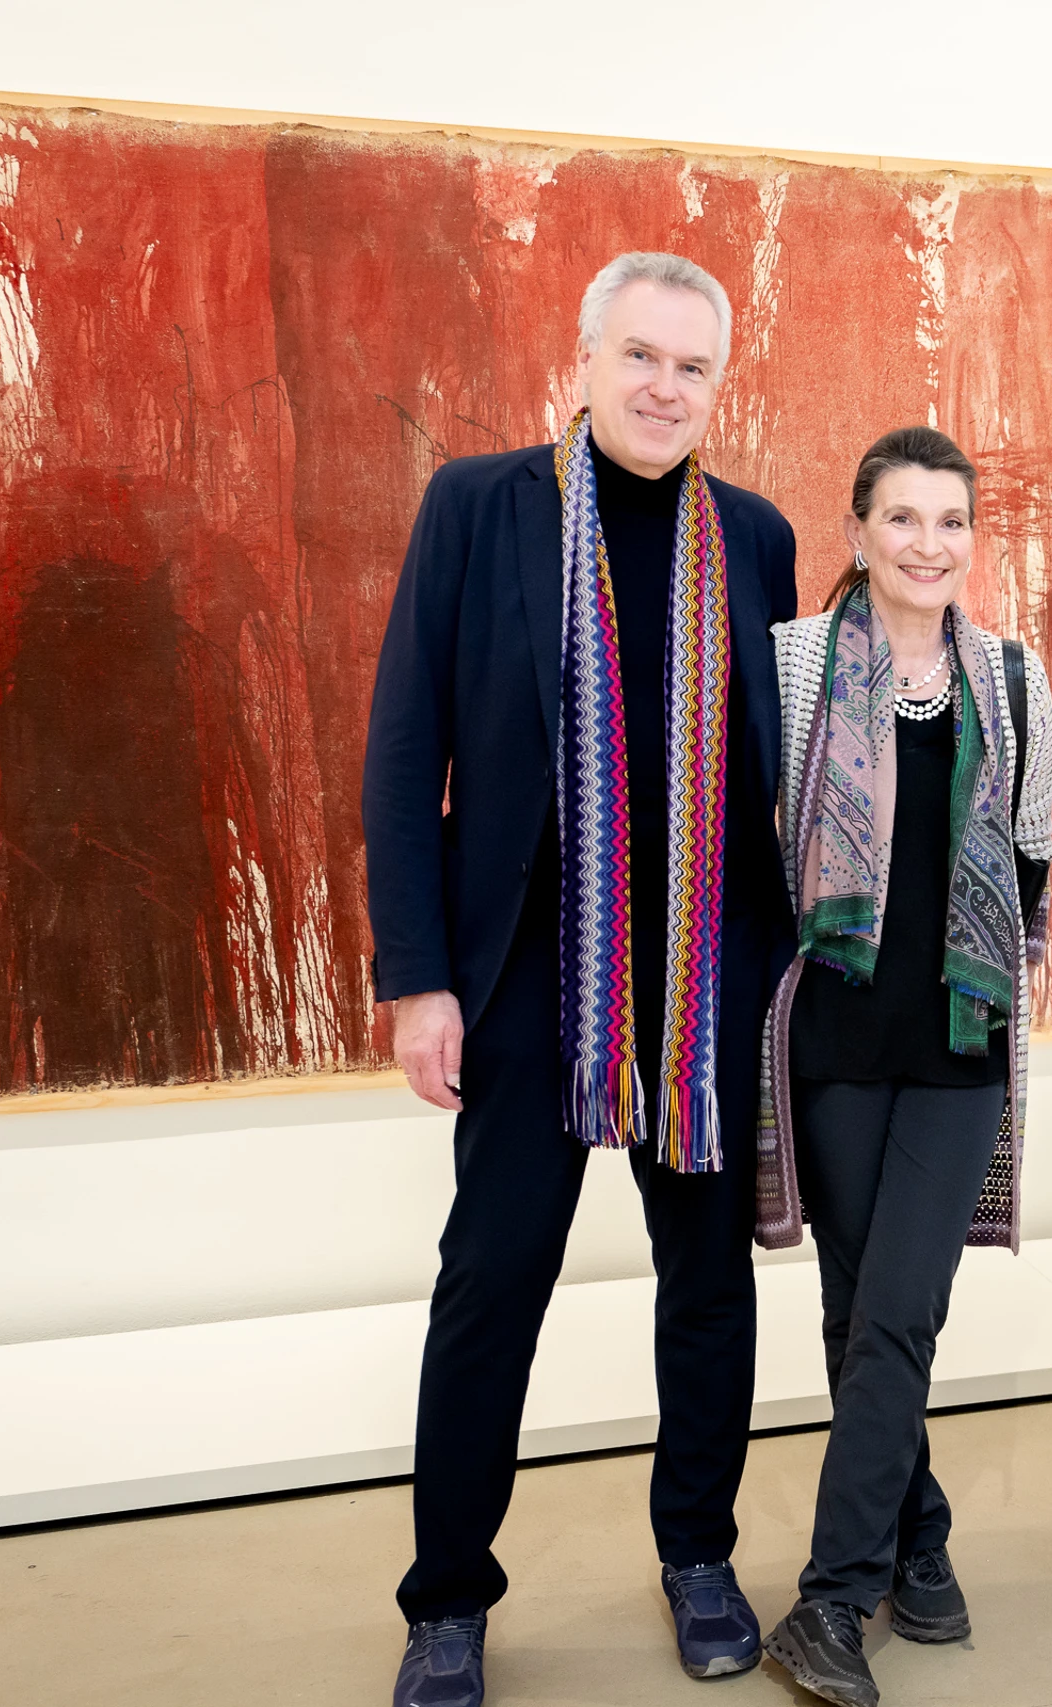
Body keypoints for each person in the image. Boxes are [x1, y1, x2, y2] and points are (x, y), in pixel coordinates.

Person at [363, 252, 798, 1707]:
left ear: (717, 383)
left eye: (693, 366)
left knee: (708, 1286)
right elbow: (403, 750)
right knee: (492, 1284)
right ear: (589, 355)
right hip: (521, 980)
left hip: (704, 987)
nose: (665, 387)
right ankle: (446, 1601)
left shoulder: (758, 537)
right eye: (642, 356)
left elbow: (775, 775)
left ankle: (698, 1557)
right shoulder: (478, 507)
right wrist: (419, 978)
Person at [748, 427, 1052, 1707]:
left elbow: (1032, 854)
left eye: (951, 521)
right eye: (902, 518)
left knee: (898, 1311)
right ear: (859, 531)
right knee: (855, 1311)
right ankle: (917, 1538)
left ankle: (831, 1600)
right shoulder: (794, 662)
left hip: (958, 1046)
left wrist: (993, 969)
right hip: (831, 1042)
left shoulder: (1013, 676)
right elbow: (749, 842)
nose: (929, 544)